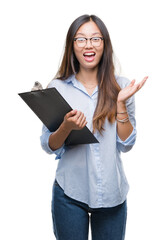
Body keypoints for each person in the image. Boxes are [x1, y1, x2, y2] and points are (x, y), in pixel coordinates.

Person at [40, 14, 148, 240]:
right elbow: (49, 145)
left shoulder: (123, 86)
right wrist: (66, 127)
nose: (88, 45)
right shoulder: (58, 87)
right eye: (81, 39)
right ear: (72, 45)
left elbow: (126, 144)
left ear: (104, 44)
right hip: (69, 193)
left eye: (95, 39)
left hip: (111, 195)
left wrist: (120, 103)